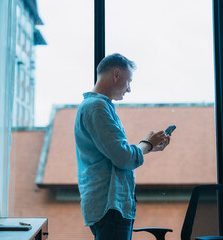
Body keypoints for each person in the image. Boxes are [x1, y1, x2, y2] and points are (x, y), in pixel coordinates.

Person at [74, 53, 171, 240]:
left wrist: (150, 147)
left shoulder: (99, 107)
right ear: (116, 74)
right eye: (128, 82)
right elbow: (123, 158)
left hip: (111, 206)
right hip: (110, 207)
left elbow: (116, 155)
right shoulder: (96, 108)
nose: (129, 90)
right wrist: (146, 144)